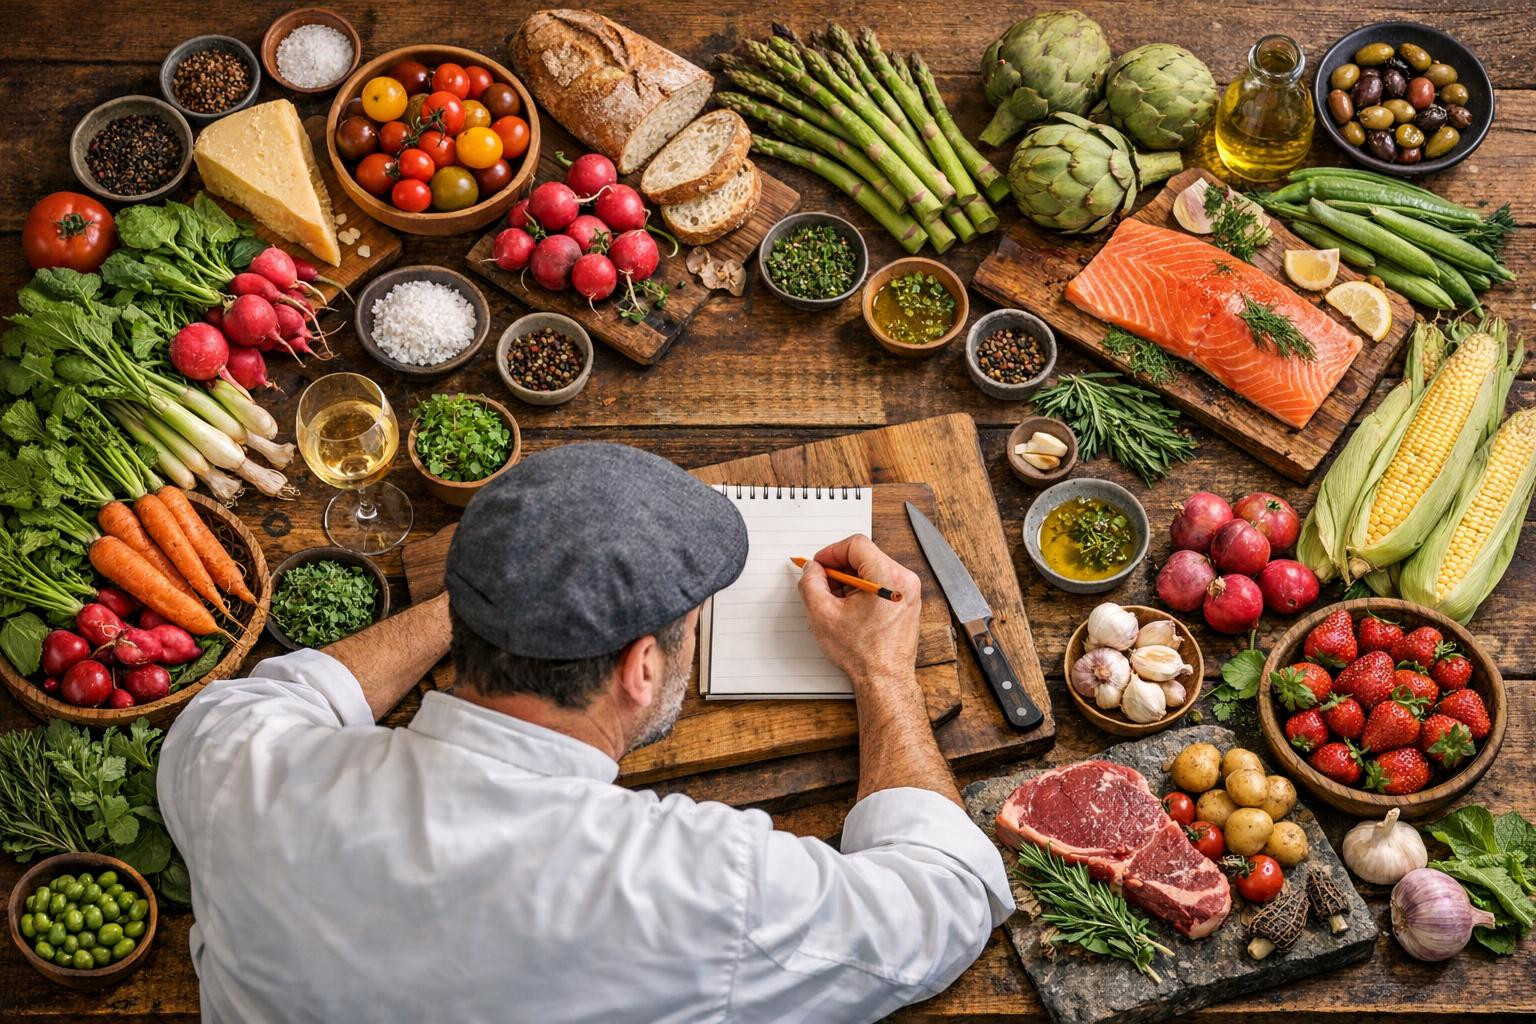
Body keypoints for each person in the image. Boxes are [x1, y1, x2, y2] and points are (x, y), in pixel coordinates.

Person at [159, 443, 1012, 1024]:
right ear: (643, 669)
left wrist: (498, 598)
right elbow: (945, 901)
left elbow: (292, 693)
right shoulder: (702, 886)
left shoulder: (235, 762)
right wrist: (882, 672)